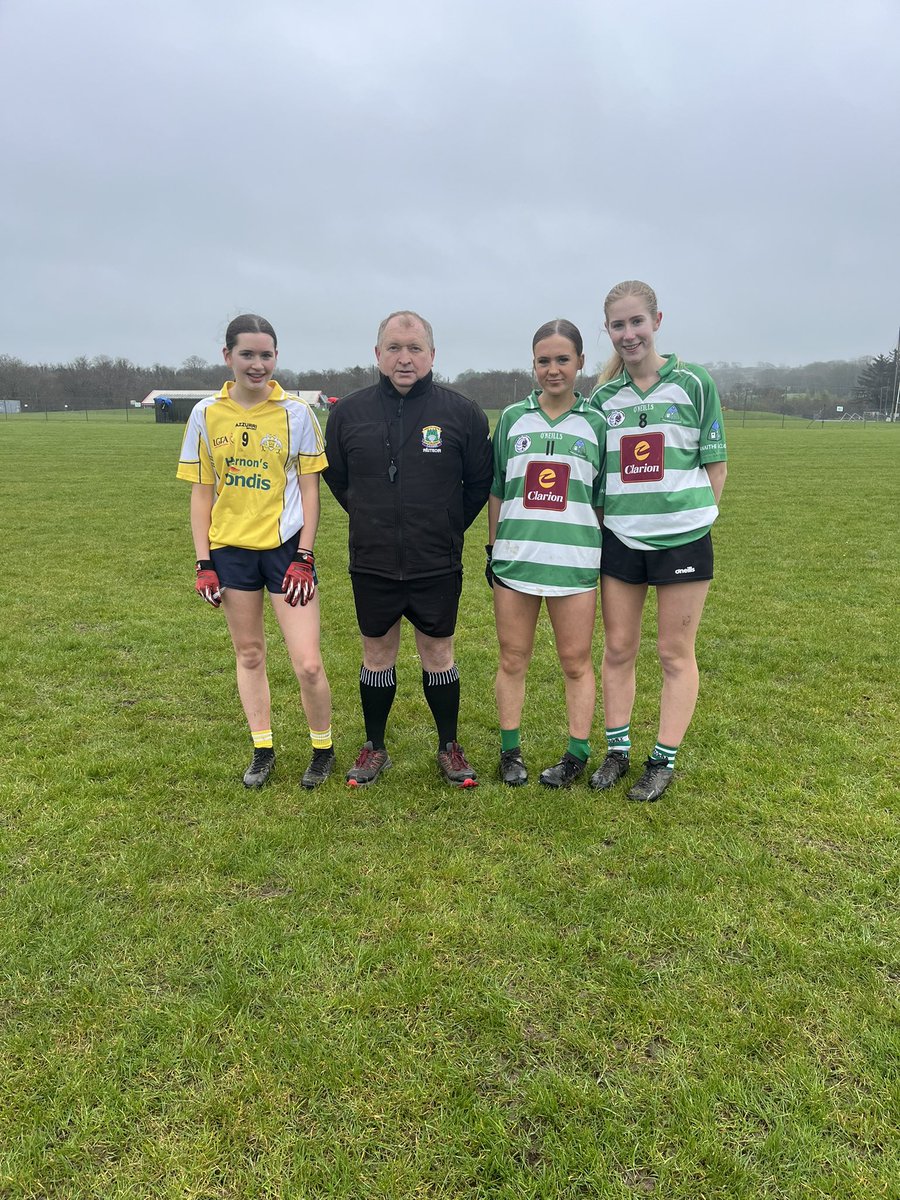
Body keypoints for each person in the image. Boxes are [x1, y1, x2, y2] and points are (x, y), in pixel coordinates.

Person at [323, 310, 493, 787]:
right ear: (377, 354)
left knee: (438, 653)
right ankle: (375, 746)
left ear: (432, 355)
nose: (404, 358)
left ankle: (449, 747)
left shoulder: (461, 412)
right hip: (373, 559)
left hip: (435, 559)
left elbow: (479, 482)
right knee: (376, 654)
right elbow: (338, 478)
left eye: (415, 348)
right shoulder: (348, 413)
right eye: (394, 348)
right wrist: (370, 515)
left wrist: (445, 524)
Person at [176, 313, 335, 790]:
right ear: (227, 357)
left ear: (276, 358)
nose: (257, 364)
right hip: (231, 552)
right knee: (249, 655)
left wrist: (304, 554)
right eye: (247, 354)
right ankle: (262, 747)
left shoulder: (297, 413)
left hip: (285, 551)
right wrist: (204, 562)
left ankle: (322, 748)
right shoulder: (206, 413)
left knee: (307, 661)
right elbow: (202, 493)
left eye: (266, 355)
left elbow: (310, 490)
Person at [589, 281, 728, 801]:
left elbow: (716, 465)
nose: (629, 334)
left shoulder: (694, 383)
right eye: (618, 326)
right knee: (619, 648)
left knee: (674, 652)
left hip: (684, 540)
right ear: (608, 331)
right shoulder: (604, 399)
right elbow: (601, 478)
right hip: (622, 539)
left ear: (657, 320)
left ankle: (663, 760)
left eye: (637, 322)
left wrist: (692, 519)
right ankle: (618, 751)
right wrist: (617, 522)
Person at [487, 320, 605, 788]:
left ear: (580, 362)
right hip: (516, 561)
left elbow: (601, 499)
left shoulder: (596, 423)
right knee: (513, 659)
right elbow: (497, 488)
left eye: (562, 360)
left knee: (576, 662)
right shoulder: (514, 419)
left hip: (574, 565)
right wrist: (493, 548)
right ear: (532, 364)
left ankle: (576, 754)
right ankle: (509, 751)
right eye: (543, 360)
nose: (552, 370)